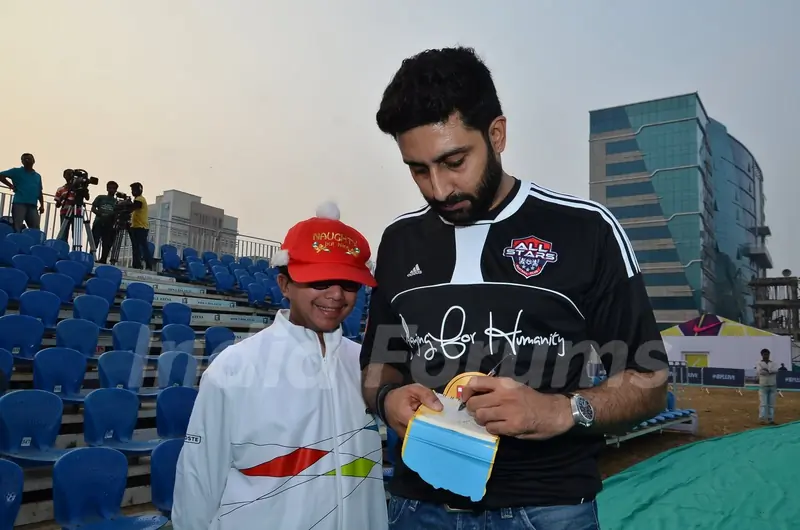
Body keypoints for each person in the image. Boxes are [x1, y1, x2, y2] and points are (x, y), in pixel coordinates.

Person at [360, 47, 669, 530]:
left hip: (547, 510)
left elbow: (648, 382)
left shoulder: (586, 230)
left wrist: (559, 410)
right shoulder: (399, 242)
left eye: (454, 160)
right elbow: (379, 366)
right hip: (417, 508)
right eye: (419, 170)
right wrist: (387, 400)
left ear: (497, 134)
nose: (439, 189)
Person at [172, 202, 388, 530]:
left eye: (349, 283)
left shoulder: (366, 365)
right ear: (284, 284)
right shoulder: (235, 368)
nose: (335, 294)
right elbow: (198, 482)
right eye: (320, 280)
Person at [0, 153, 45, 232]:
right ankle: (16, 242)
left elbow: (39, 191)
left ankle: (33, 243)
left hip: (33, 205)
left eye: (29, 159)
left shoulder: (37, 176)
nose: (27, 161)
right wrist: (10, 185)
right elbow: (1, 175)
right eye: (25, 159)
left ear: (33, 160)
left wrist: (42, 205)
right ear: (22, 162)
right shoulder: (16, 171)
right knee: (17, 226)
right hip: (19, 203)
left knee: (35, 229)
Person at [54, 169, 90, 243]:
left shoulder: (79, 188)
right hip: (65, 212)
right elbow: (57, 205)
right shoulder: (60, 189)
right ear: (64, 176)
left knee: (76, 235)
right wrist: (62, 200)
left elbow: (87, 198)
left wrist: (84, 188)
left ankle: (75, 252)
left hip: (77, 212)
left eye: (71, 174)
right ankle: (63, 250)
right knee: (63, 234)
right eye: (68, 174)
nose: (70, 176)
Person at [91, 181, 119, 264]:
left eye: (113, 188)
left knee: (106, 243)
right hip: (98, 222)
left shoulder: (116, 201)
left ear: (116, 190)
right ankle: (91, 257)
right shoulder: (101, 197)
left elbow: (117, 213)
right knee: (94, 241)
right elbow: (93, 208)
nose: (111, 190)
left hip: (109, 225)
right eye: (110, 188)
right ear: (107, 188)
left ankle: (103, 259)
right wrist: (100, 214)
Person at [128, 182, 153, 270]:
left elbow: (133, 207)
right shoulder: (138, 199)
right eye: (132, 190)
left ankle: (149, 265)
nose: (133, 192)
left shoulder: (140, 199)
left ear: (140, 190)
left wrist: (125, 206)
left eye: (135, 189)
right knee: (136, 247)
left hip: (141, 227)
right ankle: (136, 265)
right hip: (135, 227)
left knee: (142, 247)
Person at [757, 348, 778, 424]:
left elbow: (776, 370)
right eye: (765, 354)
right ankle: (762, 419)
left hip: (772, 385)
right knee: (763, 403)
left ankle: (771, 419)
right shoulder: (759, 363)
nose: (766, 356)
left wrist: (767, 370)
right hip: (763, 385)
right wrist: (770, 371)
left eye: (767, 354)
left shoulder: (773, 363)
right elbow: (760, 372)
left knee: (771, 404)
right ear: (762, 355)